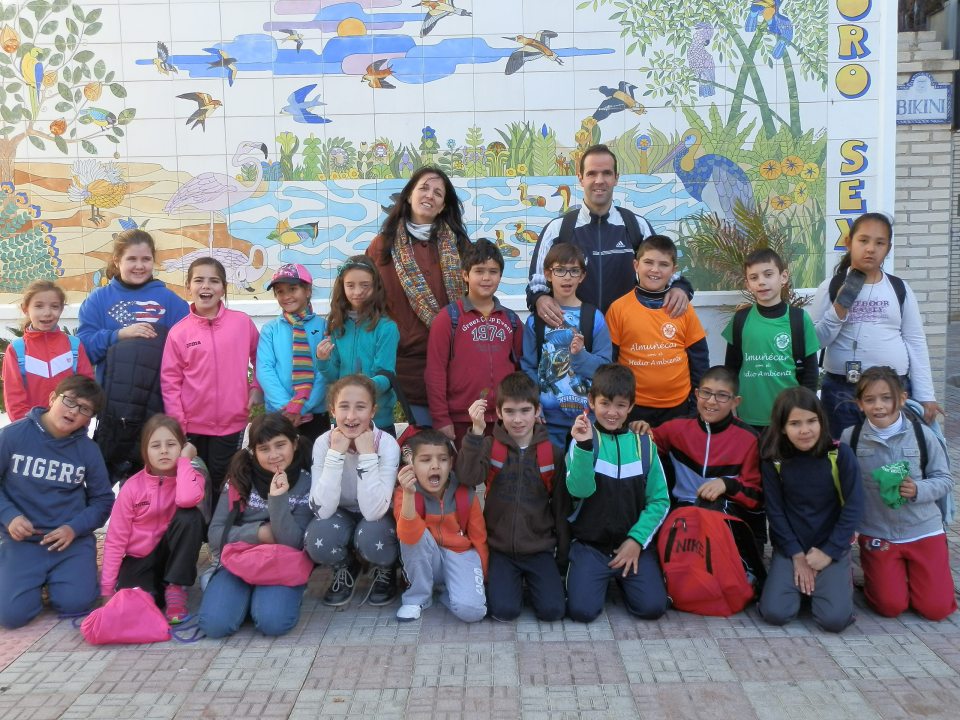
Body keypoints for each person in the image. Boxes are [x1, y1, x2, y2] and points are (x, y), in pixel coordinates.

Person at [526, 143, 693, 325]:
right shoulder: (557, 229)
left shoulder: (636, 226)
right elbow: (537, 282)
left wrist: (679, 288)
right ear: (580, 179)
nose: (599, 180)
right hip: (574, 336)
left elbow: (663, 268)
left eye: (606, 173)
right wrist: (540, 299)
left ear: (616, 178)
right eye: (591, 174)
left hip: (627, 334)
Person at [809, 212, 942, 438]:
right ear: (848, 243)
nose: (871, 248)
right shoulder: (830, 286)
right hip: (843, 391)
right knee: (844, 456)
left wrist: (926, 395)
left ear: (888, 249)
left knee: (892, 455)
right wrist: (839, 309)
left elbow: (915, 341)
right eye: (863, 241)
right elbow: (815, 341)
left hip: (893, 389)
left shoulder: (899, 288)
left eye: (879, 243)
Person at [840, 367, 955, 621]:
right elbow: (843, 485)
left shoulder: (922, 435)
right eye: (869, 400)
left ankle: (920, 579)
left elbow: (945, 479)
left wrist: (918, 489)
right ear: (860, 404)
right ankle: (888, 579)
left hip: (923, 529)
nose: (878, 406)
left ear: (902, 399)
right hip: (877, 532)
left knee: (935, 609)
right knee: (889, 606)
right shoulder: (851, 437)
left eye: (886, 398)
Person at [0, 376, 113, 629]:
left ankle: (58, 580)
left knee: (76, 604)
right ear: (53, 398)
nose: (74, 411)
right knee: (12, 616)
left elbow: (103, 500)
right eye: (70, 401)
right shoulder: (12, 436)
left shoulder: (87, 450)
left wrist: (74, 528)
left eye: (85, 409)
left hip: (69, 542)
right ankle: (25, 580)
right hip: (22, 541)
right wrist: (9, 516)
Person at [77, 229, 188, 483]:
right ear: (117, 260)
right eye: (132, 259)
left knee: (148, 484)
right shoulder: (98, 301)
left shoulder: (171, 302)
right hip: (113, 412)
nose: (139, 266)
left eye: (146, 260)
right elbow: (85, 351)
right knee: (100, 485)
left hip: (156, 411)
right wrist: (118, 335)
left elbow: (187, 353)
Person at [456, 372, 568, 622]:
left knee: (553, 611)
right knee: (504, 611)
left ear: (537, 410)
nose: (518, 420)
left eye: (525, 410)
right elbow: (467, 476)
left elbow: (561, 508)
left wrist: (562, 555)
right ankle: (513, 585)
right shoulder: (489, 445)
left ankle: (534, 584)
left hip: (539, 548)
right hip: (500, 549)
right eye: (510, 411)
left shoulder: (552, 453)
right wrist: (475, 432)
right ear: (498, 412)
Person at [565, 364, 669, 623]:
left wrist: (636, 541)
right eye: (605, 403)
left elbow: (660, 501)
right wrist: (585, 447)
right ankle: (591, 574)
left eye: (621, 405)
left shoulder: (643, 444)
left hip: (631, 546)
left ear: (631, 406)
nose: (612, 412)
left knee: (653, 608)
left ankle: (628, 578)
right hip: (591, 546)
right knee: (582, 612)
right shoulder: (583, 439)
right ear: (591, 401)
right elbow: (579, 490)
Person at [366, 166, 470, 427]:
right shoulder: (382, 246)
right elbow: (366, 303)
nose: (429, 195)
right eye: (423, 188)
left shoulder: (459, 246)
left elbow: (476, 300)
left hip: (454, 365)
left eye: (437, 192)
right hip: (402, 368)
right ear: (409, 195)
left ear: (443, 205)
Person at [198, 413, 313, 638]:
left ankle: (264, 599)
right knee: (215, 626)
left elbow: (293, 541)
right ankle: (242, 599)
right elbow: (215, 533)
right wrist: (260, 533)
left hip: (280, 561)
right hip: (237, 560)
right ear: (254, 452)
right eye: (264, 449)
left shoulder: (305, 482)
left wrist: (277, 499)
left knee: (274, 623)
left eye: (280, 445)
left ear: (295, 444)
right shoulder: (240, 479)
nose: (274, 455)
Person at [759, 387, 863, 633]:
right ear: (782, 427)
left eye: (811, 421)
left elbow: (855, 506)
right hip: (791, 547)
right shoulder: (773, 459)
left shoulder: (839, 454)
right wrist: (796, 555)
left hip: (830, 546)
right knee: (775, 613)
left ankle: (829, 584)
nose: (805, 430)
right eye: (795, 423)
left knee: (834, 620)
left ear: (821, 420)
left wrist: (828, 552)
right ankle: (803, 588)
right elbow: (774, 512)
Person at [161, 258, 262, 513]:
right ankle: (197, 535)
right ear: (188, 287)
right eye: (199, 280)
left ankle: (219, 540)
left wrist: (256, 388)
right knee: (194, 484)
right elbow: (170, 382)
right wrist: (179, 424)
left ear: (224, 288)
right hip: (193, 425)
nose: (206, 286)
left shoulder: (241, 323)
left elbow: (260, 355)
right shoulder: (179, 333)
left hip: (232, 422)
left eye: (214, 280)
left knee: (224, 482)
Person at [636, 366, 765, 559]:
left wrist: (727, 484)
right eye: (706, 393)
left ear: (735, 402)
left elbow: (756, 498)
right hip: (682, 516)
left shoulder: (749, 439)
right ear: (696, 394)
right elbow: (644, 444)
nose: (711, 401)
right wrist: (639, 428)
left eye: (722, 396)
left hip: (727, 518)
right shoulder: (677, 428)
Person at [99, 414, 206, 624]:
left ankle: (175, 588)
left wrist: (185, 462)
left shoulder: (192, 476)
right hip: (140, 559)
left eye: (171, 444)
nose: (164, 451)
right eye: (155, 445)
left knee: (191, 516)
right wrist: (107, 590)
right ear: (145, 451)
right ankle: (156, 589)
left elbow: (187, 499)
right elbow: (115, 541)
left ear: (183, 447)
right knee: (140, 608)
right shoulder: (132, 487)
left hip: (173, 554)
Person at [305, 375, 401, 608]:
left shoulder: (386, 444)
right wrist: (336, 455)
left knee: (371, 534)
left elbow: (374, 512)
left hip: (376, 514)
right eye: (344, 407)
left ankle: (383, 566)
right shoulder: (322, 443)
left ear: (373, 411)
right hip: (340, 511)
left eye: (360, 407)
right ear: (332, 410)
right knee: (318, 537)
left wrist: (368, 454)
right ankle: (346, 565)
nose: (351, 416)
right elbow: (321, 509)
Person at [425, 238, 523, 449]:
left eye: (493, 271)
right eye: (479, 271)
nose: (486, 278)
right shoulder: (448, 319)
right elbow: (435, 372)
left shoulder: (512, 321)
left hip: (503, 420)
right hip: (462, 420)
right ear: (465, 275)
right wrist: (441, 419)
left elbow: (521, 371)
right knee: (466, 478)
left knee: (500, 479)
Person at [605, 234, 709, 424]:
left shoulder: (682, 308)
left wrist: (697, 404)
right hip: (634, 408)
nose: (655, 269)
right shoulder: (618, 309)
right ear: (636, 265)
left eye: (663, 264)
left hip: (680, 407)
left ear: (674, 270)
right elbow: (610, 361)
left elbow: (699, 360)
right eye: (648, 262)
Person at [520, 242, 612, 448]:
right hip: (547, 422)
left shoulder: (594, 318)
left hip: (588, 420)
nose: (567, 277)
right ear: (548, 274)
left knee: (583, 475)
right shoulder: (536, 321)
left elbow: (605, 368)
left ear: (582, 276)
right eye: (560, 270)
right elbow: (528, 367)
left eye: (573, 271)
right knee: (551, 476)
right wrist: (533, 404)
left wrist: (580, 356)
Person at [393, 429, 487, 622]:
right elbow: (408, 537)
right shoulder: (405, 493)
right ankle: (418, 597)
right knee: (414, 535)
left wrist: (483, 579)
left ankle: (449, 590)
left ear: (451, 463)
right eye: (426, 460)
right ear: (412, 464)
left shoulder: (464, 493)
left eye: (442, 459)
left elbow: (479, 539)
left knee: (473, 612)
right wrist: (410, 494)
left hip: (460, 555)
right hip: (426, 557)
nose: (435, 466)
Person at [722, 248, 819, 432]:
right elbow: (731, 368)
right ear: (748, 284)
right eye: (754, 277)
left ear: (783, 277)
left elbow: (811, 372)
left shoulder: (799, 319)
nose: (762, 282)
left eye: (768, 274)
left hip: (790, 417)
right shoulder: (740, 319)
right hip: (749, 416)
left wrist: (804, 411)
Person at [315, 255, 400, 434]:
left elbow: (386, 376)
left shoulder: (386, 327)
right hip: (345, 421)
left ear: (375, 287)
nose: (357, 291)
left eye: (365, 285)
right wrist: (323, 361)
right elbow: (334, 377)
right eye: (350, 285)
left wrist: (359, 388)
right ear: (342, 286)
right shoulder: (336, 325)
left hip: (378, 421)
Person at [257, 263, 329, 443]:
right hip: (279, 414)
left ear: (308, 291)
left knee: (314, 462)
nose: (287, 296)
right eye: (280, 291)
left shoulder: (324, 327)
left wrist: (302, 407)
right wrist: (287, 408)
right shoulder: (270, 330)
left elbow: (325, 371)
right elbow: (265, 369)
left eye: (293, 289)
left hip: (315, 412)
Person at [2, 280, 94, 421]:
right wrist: (31, 430)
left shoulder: (74, 346)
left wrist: (75, 425)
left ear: (61, 309)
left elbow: (87, 391)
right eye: (39, 306)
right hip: (32, 432)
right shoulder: (16, 350)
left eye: (54, 306)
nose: (47, 313)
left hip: (69, 430)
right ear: (25, 309)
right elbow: (14, 399)